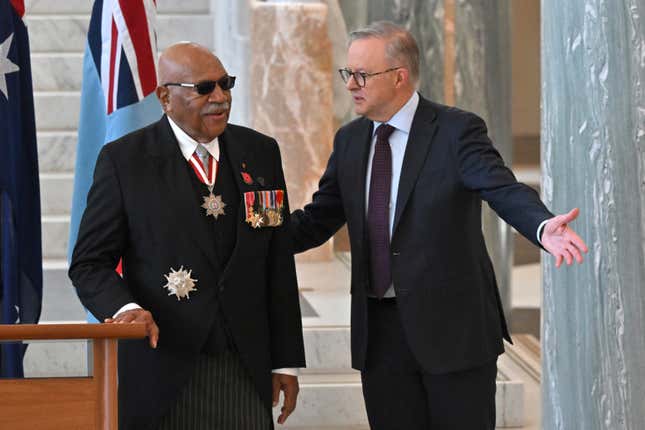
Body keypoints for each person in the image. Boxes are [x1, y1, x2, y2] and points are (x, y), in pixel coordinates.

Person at [291, 21, 587, 429]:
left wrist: (540, 225)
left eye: (362, 74)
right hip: (381, 336)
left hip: (453, 332)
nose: (351, 84)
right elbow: (318, 218)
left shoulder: (455, 130)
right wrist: (252, 237)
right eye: (348, 73)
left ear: (399, 77)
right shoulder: (350, 141)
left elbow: (501, 188)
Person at [69, 42, 305, 430]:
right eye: (205, 88)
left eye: (226, 84)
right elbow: (89, 264)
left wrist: (285, 359)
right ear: (165, 97)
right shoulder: (125, 160)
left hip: (243, 364)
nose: (220, 98)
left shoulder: (260, 151)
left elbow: (276, 262)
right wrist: (126, 310)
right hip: (162, 364)